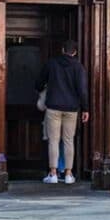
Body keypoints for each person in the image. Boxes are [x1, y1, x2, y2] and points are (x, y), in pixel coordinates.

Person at [36, 40, 89, 184]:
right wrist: (85, 109)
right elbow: (83, 91)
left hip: (53, 107)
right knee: (68, 141)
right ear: (75, 52)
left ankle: (53, 174)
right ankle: (68, 174)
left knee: (53, 141)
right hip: (71, 109)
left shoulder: (52, 64)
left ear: (62, 49)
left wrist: (42, 90)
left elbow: (39, 82)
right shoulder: (79, 67)